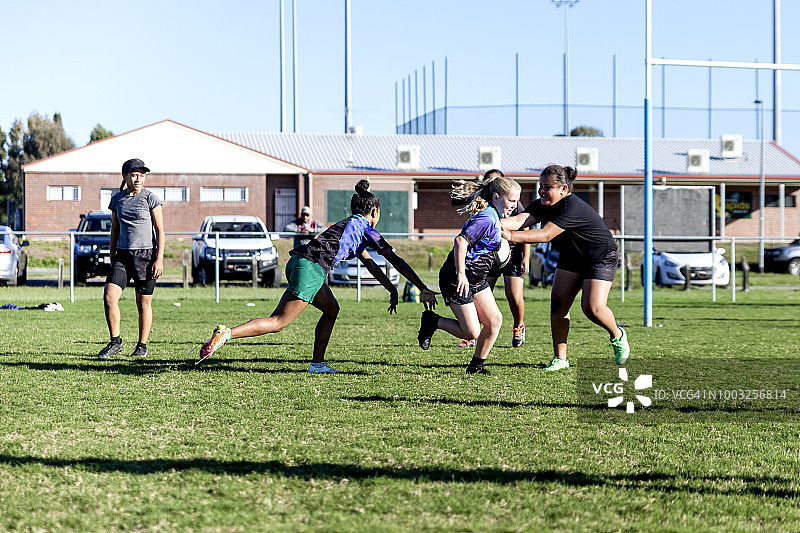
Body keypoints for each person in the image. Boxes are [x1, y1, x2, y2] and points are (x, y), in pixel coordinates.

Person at [198, 179, 438, 373]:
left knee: (331, 309)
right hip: (311, 268)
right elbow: (394, 260)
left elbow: (371, 264)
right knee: (279, 322)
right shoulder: (365, 228)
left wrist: (392, 289)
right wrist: (421, 286)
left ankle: (318, 364)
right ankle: (226, 334)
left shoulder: (349, 225)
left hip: (299, 263)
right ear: (375, 211)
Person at [501, 164, 629, 372]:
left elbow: (545, 234)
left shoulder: (572, 206)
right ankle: (560, 358)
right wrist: (487, 222)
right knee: (559, 304)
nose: (542, 190)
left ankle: (617, 335)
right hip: (571, 256)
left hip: (600, 256)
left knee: (592, 308)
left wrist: (511, 236)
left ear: (564, 190)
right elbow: (518, 221)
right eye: (540, 186)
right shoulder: (542, 204)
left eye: (547, 187)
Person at [417, 173, 522, 375]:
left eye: (516, 201)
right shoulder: (486, 218)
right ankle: (432, 321)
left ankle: (476, 366)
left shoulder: (496, 218)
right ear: (496, 198)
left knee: (494, 321)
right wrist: (461, 275)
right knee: (471, 331)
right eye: (511, 200)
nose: (514, 205)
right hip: (457, 278)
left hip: (476, 278)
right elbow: (460, 241)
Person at [97, 158, 165, 360]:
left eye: (142, 175)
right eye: (134, 175)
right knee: (110, 296)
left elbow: (160, 230)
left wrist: (159, 259)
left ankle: (142, 345)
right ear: (125, 176)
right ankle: (115, 341)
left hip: (146, 256)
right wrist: (112, 255)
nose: (138, 179)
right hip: (122, 255)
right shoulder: (117, 200)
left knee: (143, 303)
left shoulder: (150, 199)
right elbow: (115, 230)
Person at [456, 170, 530, 350]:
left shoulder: (513, 203)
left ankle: (518, 325)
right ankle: (472, 331)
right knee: (479, 291)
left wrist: (526, 256)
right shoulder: (484, 208)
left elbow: (526, 230)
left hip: (512, 254)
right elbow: (466, 236)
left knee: (513, 296)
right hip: (490, 256)